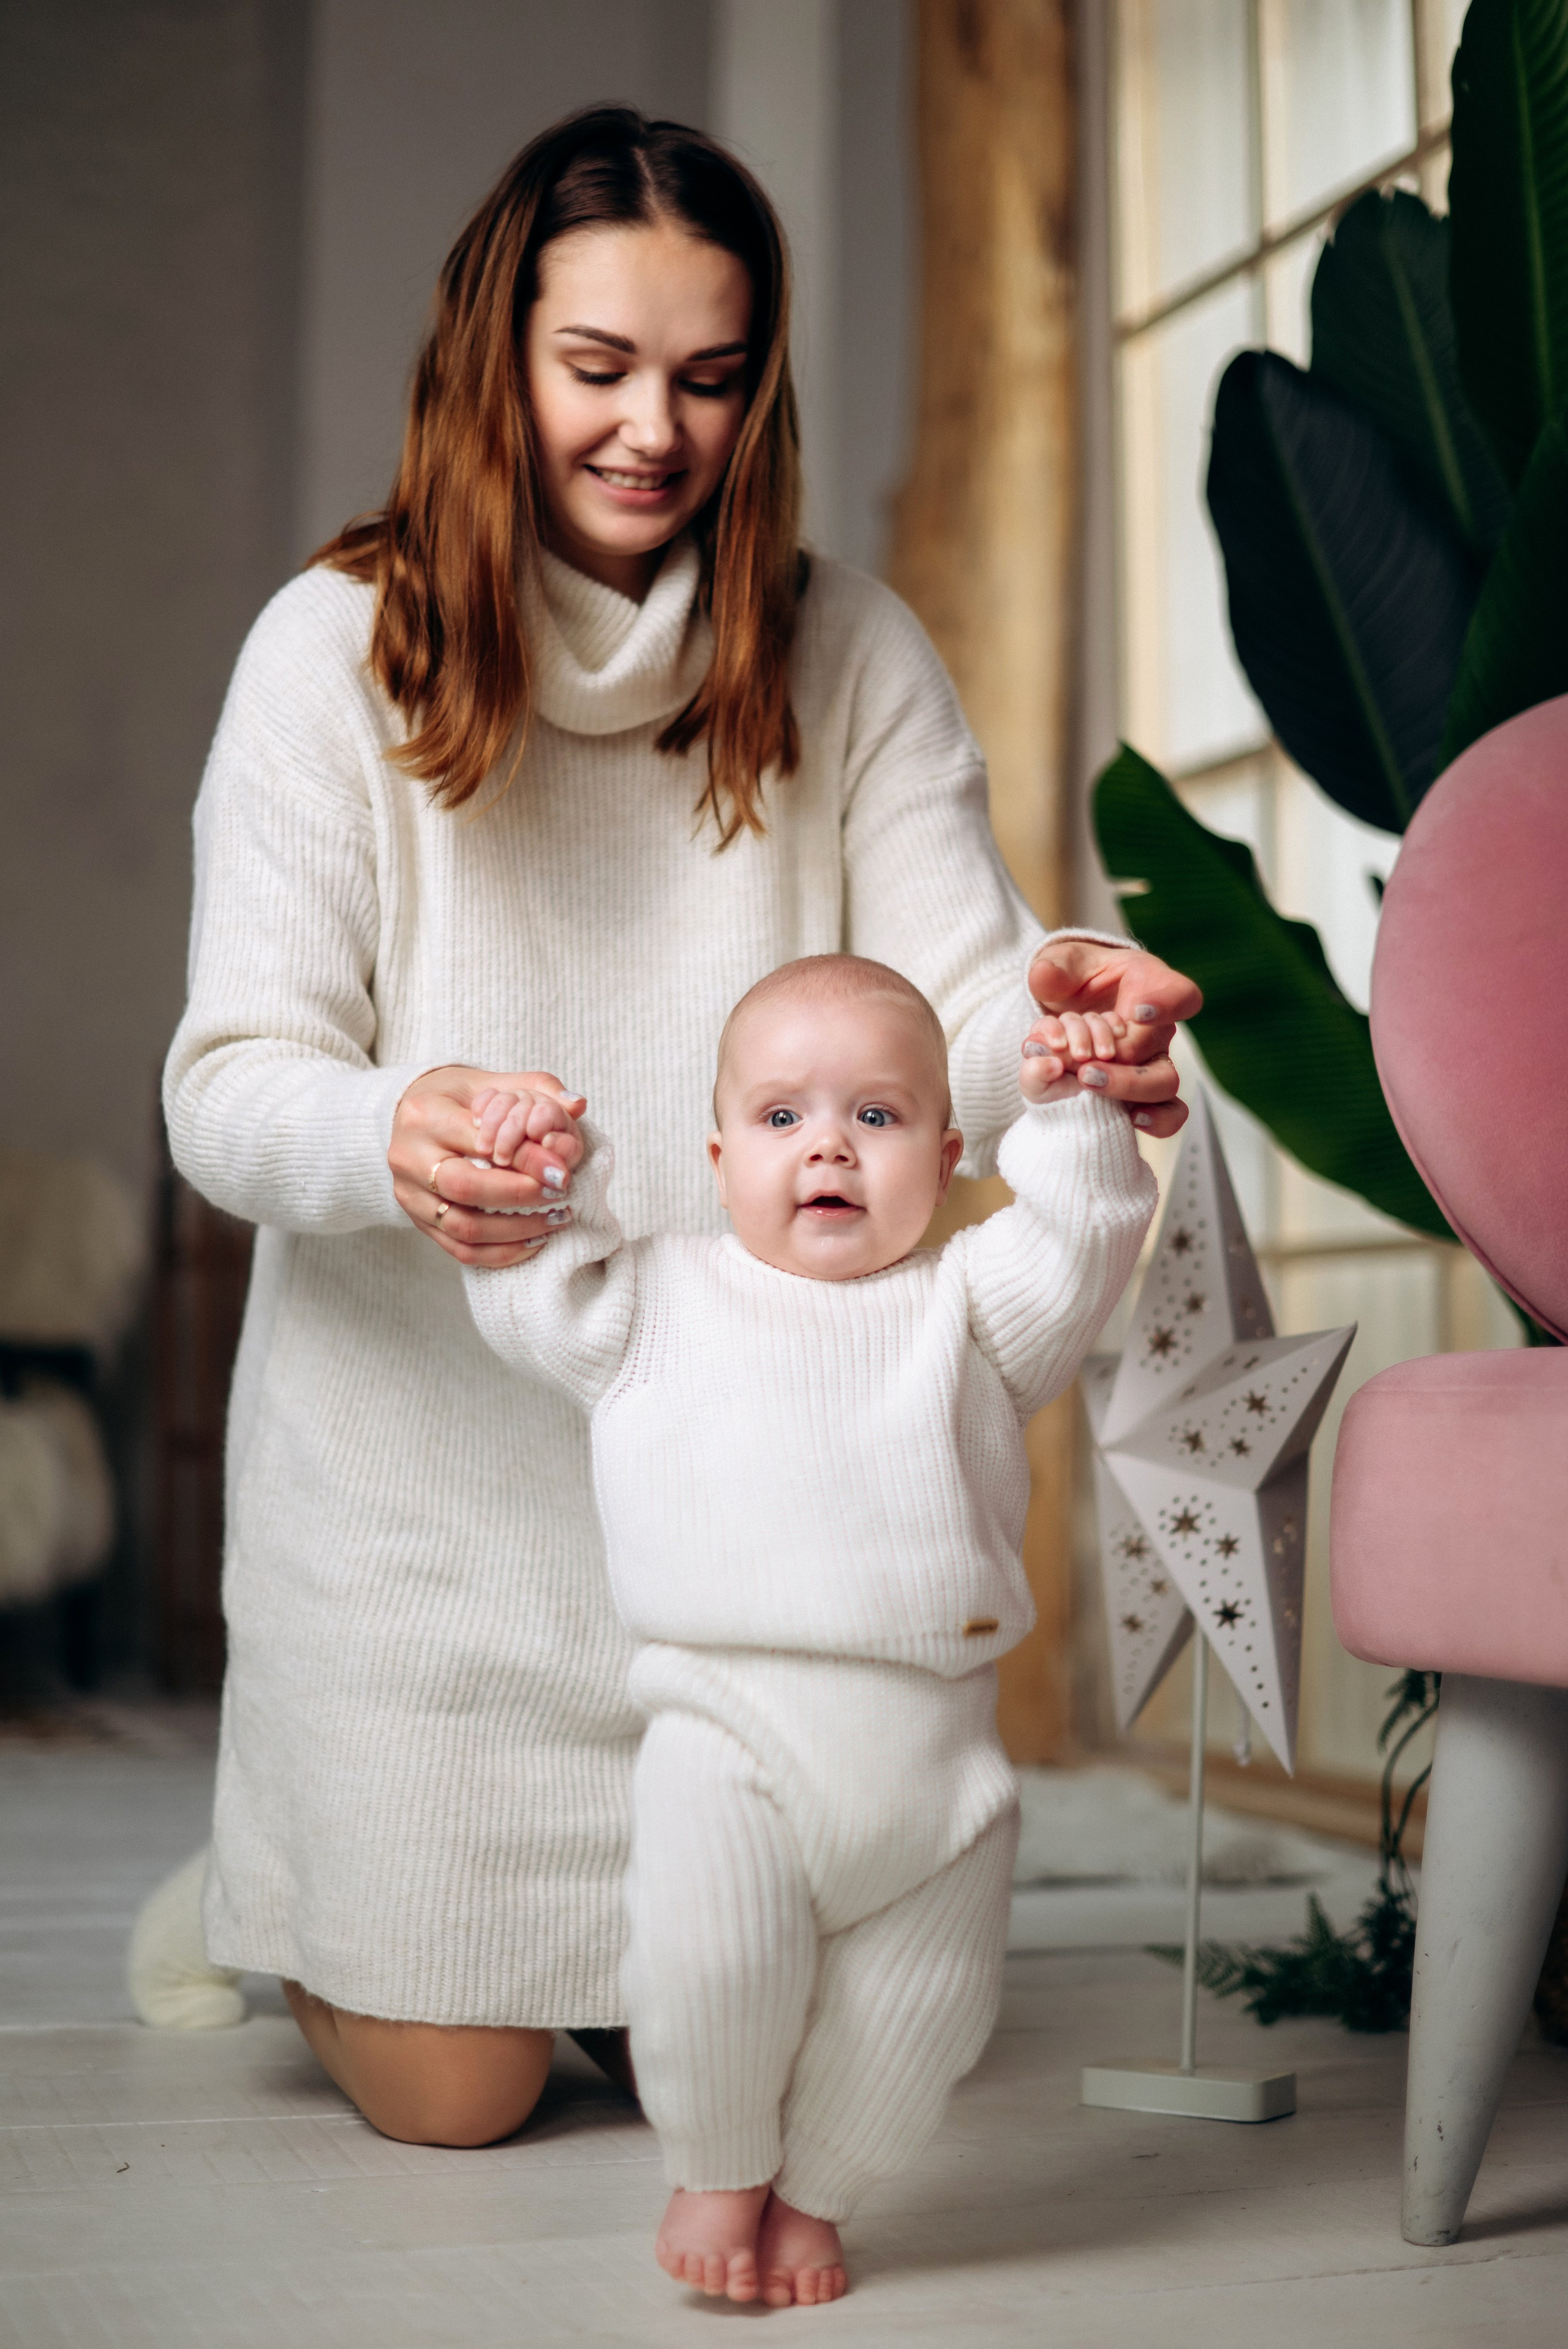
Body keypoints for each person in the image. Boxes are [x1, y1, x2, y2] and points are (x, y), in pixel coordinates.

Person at [131, 105, 1196, 2144]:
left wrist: (1061, 1021)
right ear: (491, 359)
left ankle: (516, 1933)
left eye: (711, 378)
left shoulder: (846, 645)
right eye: (596, 369)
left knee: (755, 2058)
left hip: (740, 1549)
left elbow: (958, 1012)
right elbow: (226, 1085)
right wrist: (391, 1127)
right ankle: (283, 1900)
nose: (653, 432)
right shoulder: (329, 656)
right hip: (418, 1522)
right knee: (462, 2097)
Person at [460, 953, 1156, 2306]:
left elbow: (1077, 1245)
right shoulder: (655, 1297)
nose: (827, 1143)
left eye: (877, 1117)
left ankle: (819, 2191)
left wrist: (1076, 1109)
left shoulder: (969, 1311)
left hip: (936, 1765)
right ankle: (718, 2161)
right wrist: (546, 1168)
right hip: (732, 1729)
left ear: (950, 1156)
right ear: (718, 1158)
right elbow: (530, 1292)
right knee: (709, 1960)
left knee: (926, 2015)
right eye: (781, 1118)